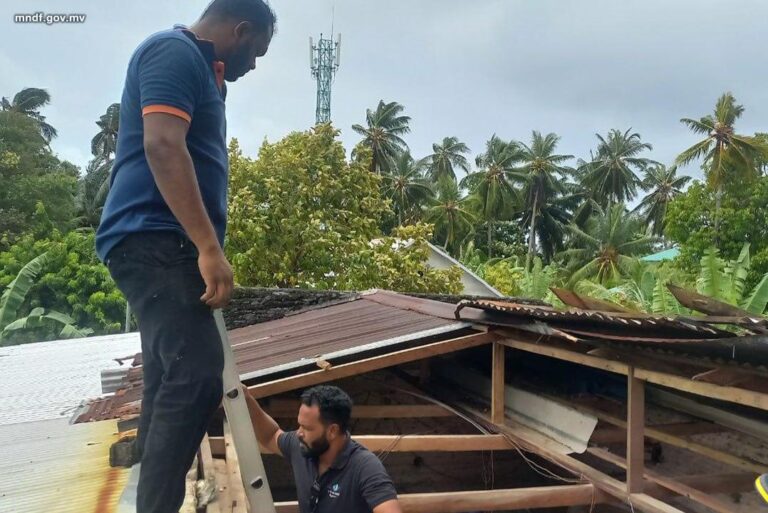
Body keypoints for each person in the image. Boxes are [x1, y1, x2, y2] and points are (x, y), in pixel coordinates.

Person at [95, 1, 276, 511]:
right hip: (155, 238)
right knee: (197, 373)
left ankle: (149, 496)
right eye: (256, 51)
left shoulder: (202, 70)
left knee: (167, 374)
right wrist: (208, 247)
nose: (254, 65)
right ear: (240, 29)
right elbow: (163, 146)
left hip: (165, 242)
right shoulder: (172, 52)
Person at [244, 384, 403, 513]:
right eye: (299, 425)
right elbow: (271, 435)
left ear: (332, 431)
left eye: (307, 428)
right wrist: (247, 400)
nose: (298, 433)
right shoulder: (302, 446)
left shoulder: (365, 467)